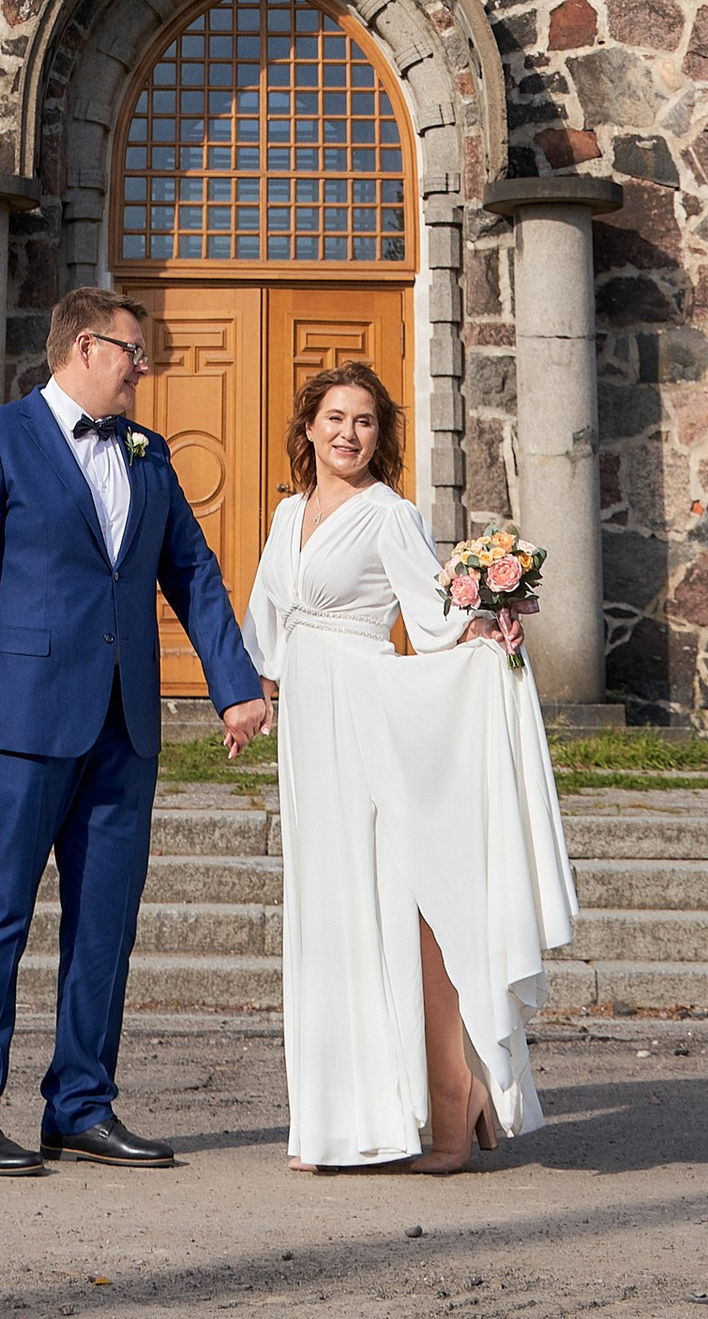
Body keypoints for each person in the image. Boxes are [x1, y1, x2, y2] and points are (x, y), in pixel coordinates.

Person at [0, 284, 269, 1177]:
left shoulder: (148, 455)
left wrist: (234, 687)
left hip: (125, 725)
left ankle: (80, 1103)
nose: (143, 368)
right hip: (27, 725)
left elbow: (190, 568)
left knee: (105, 923)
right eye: (132, 352)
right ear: (84, 345)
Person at [245, 362, 578, 1173]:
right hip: (306, 731)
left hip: (367, 711)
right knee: (326, 914)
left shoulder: (389, 514)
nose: (348, 432)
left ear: (379, 435)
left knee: (391, 903)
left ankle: (445, 1103)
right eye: (334, 416)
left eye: (363, 420)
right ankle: (337, 1121)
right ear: (308, 428)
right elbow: (264, 627)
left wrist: (484, 630)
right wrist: (247, 700)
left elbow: (431, 624)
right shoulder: (287, 515)